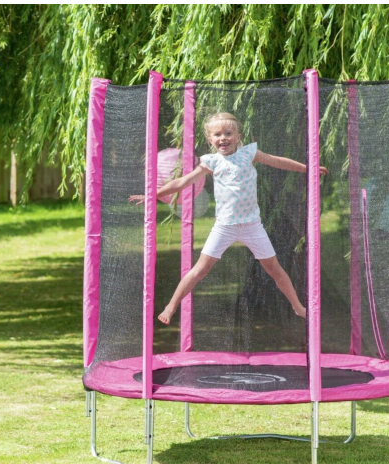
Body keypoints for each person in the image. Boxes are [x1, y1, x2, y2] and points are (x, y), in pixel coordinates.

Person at [129, 112, 329, 325]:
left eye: (228, 133)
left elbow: (278, 162)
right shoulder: (210, 162)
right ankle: (171, 305)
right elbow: (181, 183)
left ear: (237, 136)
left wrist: (307, 169)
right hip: (224, 227)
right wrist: (151, 196)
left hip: (252, 225)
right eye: (217, 134)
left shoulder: (249, 153)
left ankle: (298, 307)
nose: (223, 138)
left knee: (275, 269)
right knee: (200, 269)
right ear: (210, 140)